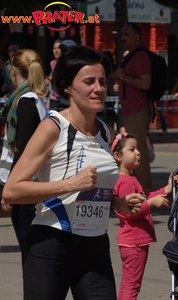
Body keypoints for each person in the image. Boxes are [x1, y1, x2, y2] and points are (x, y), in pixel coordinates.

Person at [1, 45, 144, 300]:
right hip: (52, 245)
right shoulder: (53, 127)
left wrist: (116, 202)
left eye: (102, 81)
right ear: (67, 87)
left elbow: (91, 189)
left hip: (96, 246)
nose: (98, 88)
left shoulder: (104, 130)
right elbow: (12, 190)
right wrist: (71, 184)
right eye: (88, 81)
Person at [111, 132, 178, 300]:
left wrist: (166, 190)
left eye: (138, 149)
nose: (138, 153)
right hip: (134, 242)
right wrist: (151, 203)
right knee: (132, 286)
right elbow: (132, 213)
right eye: (132, 149)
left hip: (133, 241)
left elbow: (146, 196)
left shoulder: (129, 179)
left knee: (128, 284)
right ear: (118, 156)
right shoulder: (126, 182)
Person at [0, 49, 47, 266]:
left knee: (29, 251)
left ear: (15, 69)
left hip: (23, 184)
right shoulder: (25, 98)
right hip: (24, 182)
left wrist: (10, 188)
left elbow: (24, 150)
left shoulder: (26, 101)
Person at [113, 23, 153, 191]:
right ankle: (138, 191)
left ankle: (147, 195)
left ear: (137, 36)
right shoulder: (129, 56)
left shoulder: (140, 56)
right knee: (134, 154)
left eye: (127, 34)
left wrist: (123, 76)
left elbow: (145, 83)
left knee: (139, 155)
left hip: (138, 111)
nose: (122, 38)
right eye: (122, 34)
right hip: (130, 111)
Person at [45, 39, 62, 110]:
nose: (56, 50)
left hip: (63, 96)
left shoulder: (65, 63)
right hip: (54, 95)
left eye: (58, 48)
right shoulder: (52, 63)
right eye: (54, 48)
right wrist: (48, 81)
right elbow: (51, 76)